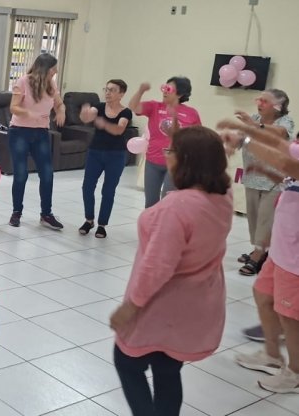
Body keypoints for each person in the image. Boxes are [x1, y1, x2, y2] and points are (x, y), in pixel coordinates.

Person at [110, 126, 233, 416]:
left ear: (186, 160)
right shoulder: (223, 196)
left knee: (127, 361)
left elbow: (156, 267)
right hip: (198, 303)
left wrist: (131, 307)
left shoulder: (177, 207)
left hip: (163, 306)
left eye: (171, 151)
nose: (166, 156)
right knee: (168, 369)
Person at [219, 118, 299, 393]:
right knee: (264, 295)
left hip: (296, 259)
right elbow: (285, 155)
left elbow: (287, 161)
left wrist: (246, 138)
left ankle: (295, 373)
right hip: (282, 248)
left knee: (291, 316)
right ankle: (272, 355)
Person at [234, 90, 293, 276]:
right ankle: (259, 249)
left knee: (266, 220)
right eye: (259, 100)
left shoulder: (284, 122)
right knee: (253, 218)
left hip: (273, 181)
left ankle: (259, 255)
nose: (259, 103)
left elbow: (280, 134)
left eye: (265, 101)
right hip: (252, 178)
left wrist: (254, 125)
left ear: (278, 106)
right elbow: (243, 140)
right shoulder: (254, 118)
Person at [7, 53, 65, 229]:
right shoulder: (23, 81)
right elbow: (13, 107)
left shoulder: (51, 84)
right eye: (53, 69)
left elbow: (59, 103)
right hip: (19, 132)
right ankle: (16, 212)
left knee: (47, 174)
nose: (55, 72)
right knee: (21, 174)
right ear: (44, 69)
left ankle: (46, 214)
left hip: (40, 133)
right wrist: (28, 113)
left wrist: (61, 110)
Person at [127, 76, 202, 208]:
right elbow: (133, 107)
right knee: (150, 202)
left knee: (168, 202)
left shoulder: (191, 113)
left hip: (176, 164)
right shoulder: (154, 107)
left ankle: (166, 227)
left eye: (169, 89)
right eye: (164, 88)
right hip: (153, 162)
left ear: (180, 93)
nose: (164, 91)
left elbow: (198, 138)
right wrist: (140, 91)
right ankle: (151, 228)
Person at [78, 79, 133, 239]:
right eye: (106, 89)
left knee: (108, 190)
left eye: (112, 90)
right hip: (95, 152)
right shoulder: (100, 106)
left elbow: (119, 130)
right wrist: (85, 111)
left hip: (116, 155)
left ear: (121, 94)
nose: (107, 92)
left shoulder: (126, 112)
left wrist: (105, 125)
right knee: (87, 187)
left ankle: (102, 225)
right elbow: (87, 118)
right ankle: (89, 220)